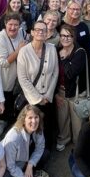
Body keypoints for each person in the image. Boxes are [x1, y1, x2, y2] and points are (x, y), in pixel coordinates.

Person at [16, 20, 59, 148]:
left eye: (43, 30)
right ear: (32, 32)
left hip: (48, 97)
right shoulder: (24, 52)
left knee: (47, 126)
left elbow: (55, 73)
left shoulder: (52, 49)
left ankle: (46, 150)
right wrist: (38, 98)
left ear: (46, 33)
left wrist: (48, 95)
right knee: (32, 127)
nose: (41, 32)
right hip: (31, 99)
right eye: (38, 30)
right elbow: (23, 78)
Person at [0, 14, 28, 134]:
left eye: (16, 25)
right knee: (4, 100)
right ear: (5, 24)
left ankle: (12, 122)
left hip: (18, 76)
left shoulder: (22, 33)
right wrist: (18, 51)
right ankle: (1, 123)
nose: (13, 27)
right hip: (5, 77)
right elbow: (3, 63)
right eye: (10, 24)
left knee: (14, 99)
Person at [55, 24, 89, 149]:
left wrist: (64, 59)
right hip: (61, 91)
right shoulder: (56, 50)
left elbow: (70, 73)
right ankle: (64, 139)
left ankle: (78, 144)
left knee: (77, 122)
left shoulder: (80, 52)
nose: (65, 38)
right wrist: (55, 93)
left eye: (69, 36)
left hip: (76, 93)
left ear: (74, 37)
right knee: (62, 119)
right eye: (63, 35)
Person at [2, 106, 47, 177]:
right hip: (12, 167)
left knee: (45, 154)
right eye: (30, 118)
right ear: (23, 120)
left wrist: (30, 164)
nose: (34, 121)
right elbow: (10, 166)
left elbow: (40, 147)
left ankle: (30, 171)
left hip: (25, 160)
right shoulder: (13, 139)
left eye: (36, 117)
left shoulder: (37, 127)